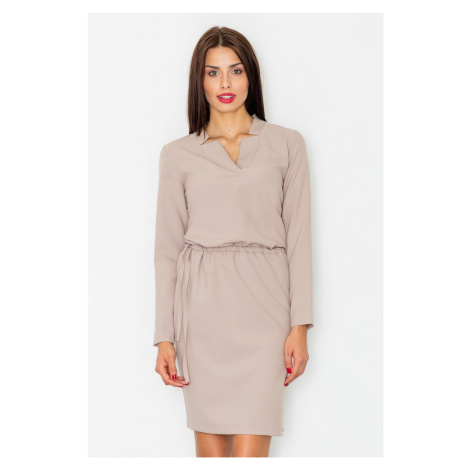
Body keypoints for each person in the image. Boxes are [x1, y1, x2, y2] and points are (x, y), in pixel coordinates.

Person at [153, 26, 314, 458]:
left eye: (236, 70)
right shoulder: (177, 154)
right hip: (202, 317)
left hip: (265, 315)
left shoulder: (287, 144)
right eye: (213, 72)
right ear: (200, 80)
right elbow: (167, 252)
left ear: (250, 76)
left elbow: (299, 240)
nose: (225, 83)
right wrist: (164, 337)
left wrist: (300, 327)